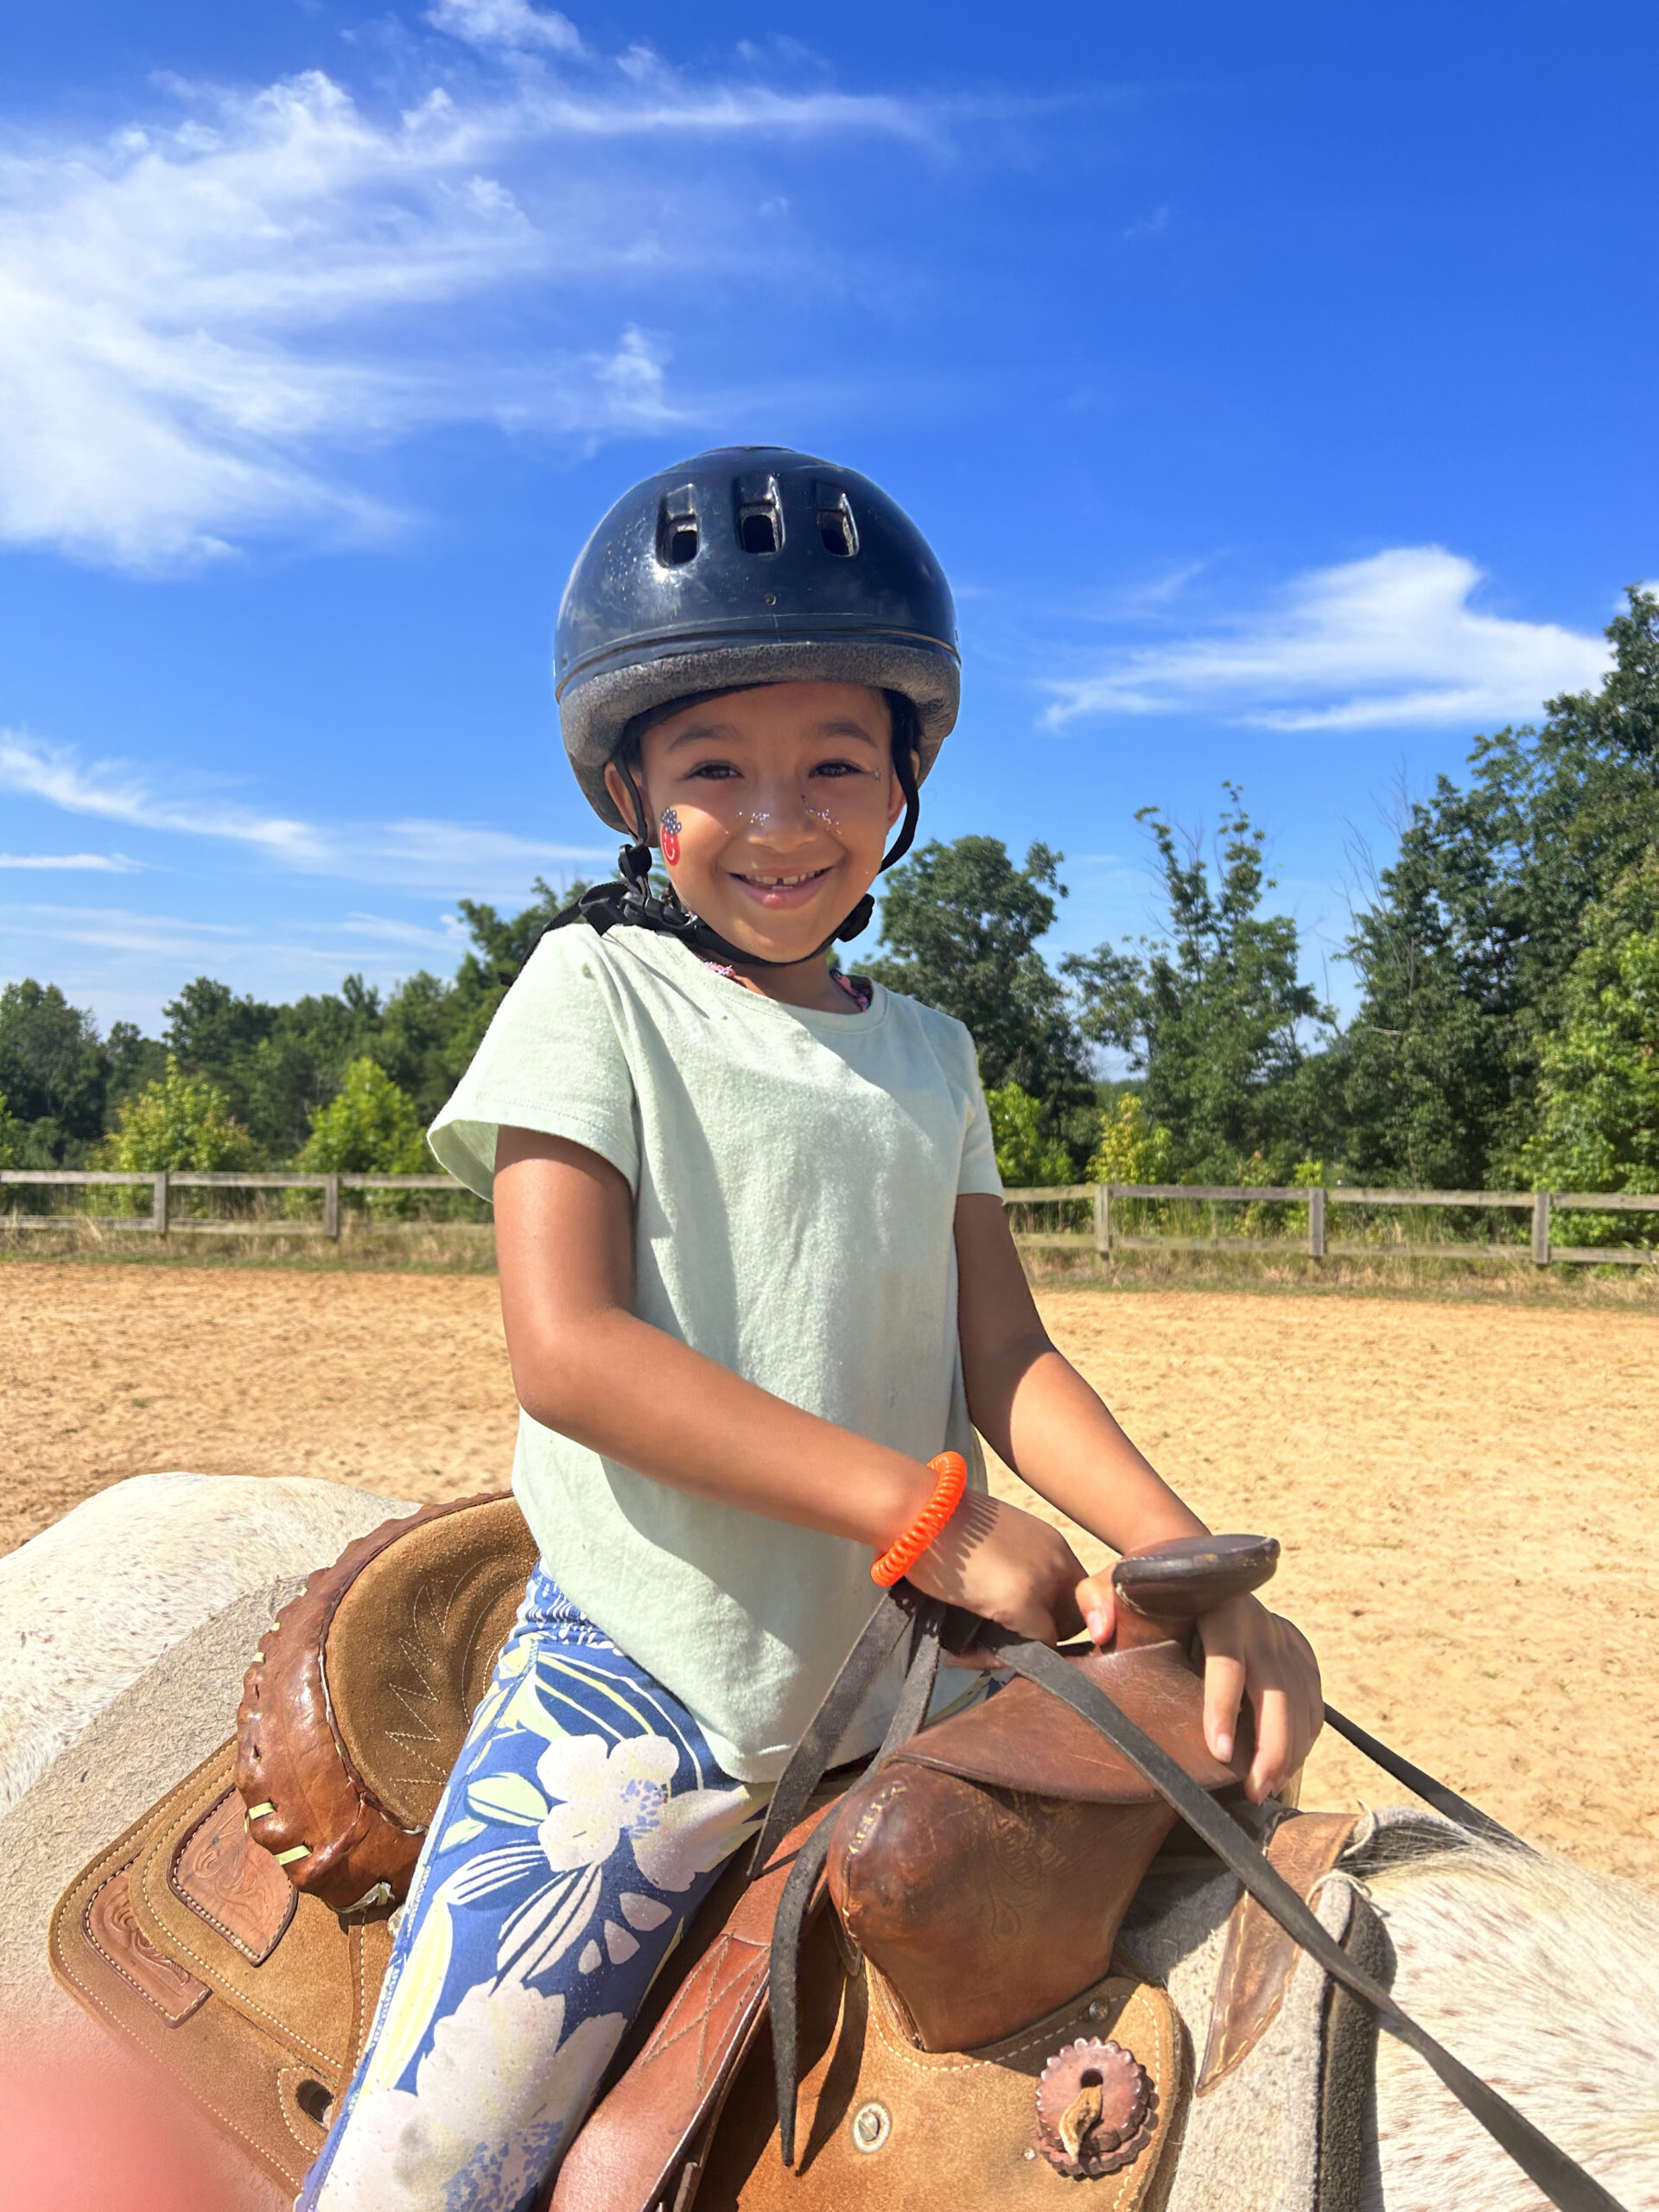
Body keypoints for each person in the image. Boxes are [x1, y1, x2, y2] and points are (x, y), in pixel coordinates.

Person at [300, 448, 1323, 2212]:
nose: (781, 819)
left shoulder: (930, 1049)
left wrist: (1184, 1563)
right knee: (430, 2164)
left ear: (905, 780)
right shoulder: (592, 991)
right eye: (716, 767)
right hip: (652, 1673)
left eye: (837, 763)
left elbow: (1008, 1356)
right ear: (631, 788)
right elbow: (571, 1350)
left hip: (909, 1667)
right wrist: (929, 1516)